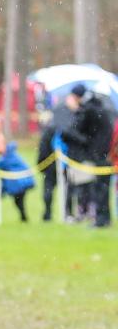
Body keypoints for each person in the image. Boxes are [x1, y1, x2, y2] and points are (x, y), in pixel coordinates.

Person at [61, 83, 114, 228]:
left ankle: (102, 220)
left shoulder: (88, 110)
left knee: (100, 188)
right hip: (105, 153)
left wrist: (75, 110)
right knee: (101, 187)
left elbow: (76, 130)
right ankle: (104, 218)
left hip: (101, 154)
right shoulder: (96, 107)